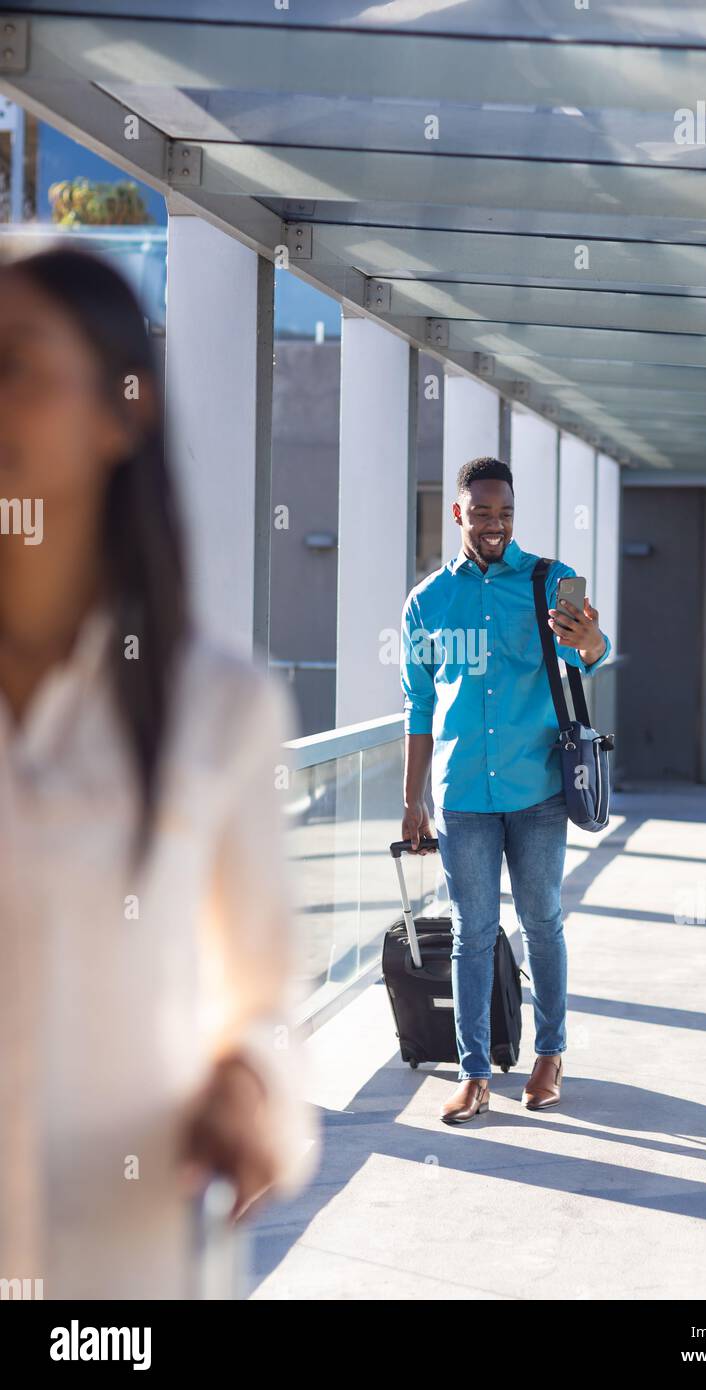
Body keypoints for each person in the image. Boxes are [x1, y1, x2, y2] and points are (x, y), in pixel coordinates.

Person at [0, 246, 319, 1298]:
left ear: (120, 413)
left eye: (16, 364)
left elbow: (264, 999)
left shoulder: (216, 707)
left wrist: (245, 1085)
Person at [400, 457, 610, 1124]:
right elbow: (418, 709)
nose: (495, 523)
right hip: (461, 792)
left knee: (542, 920)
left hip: (538, 786)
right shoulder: (427, 601)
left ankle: (550, 1054)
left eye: (506, 512)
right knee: (472, 932)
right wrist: (412, 800)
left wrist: (594, 641)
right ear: (459, 513)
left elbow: (591, 656)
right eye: (482, 511)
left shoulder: (547, 582)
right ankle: (474, 1073)